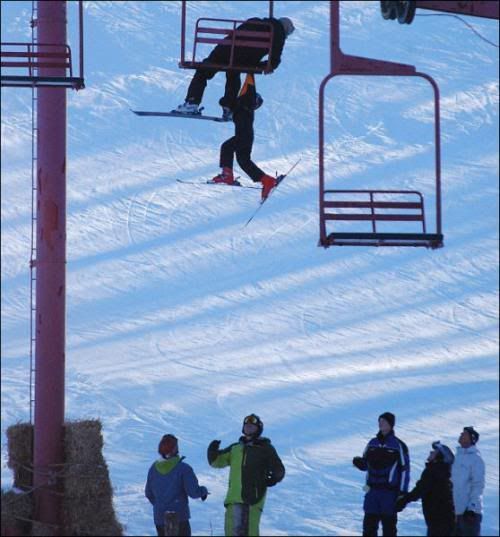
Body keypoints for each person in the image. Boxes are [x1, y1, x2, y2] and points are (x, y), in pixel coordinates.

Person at [175, 16, 294, 117]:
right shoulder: (278, 33)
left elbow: (234, 37)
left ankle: (192, 102)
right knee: (234, 72)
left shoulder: (254, 21)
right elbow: (274, 62)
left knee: (203, 71)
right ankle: (229, 106)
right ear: (286, 30)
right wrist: (261, 65)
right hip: (243, 62)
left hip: (224, 51)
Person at [207, 414, 285, 536]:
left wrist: (274, 478)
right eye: (246, 426)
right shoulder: (235, 448)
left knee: (250, 532)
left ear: (258, 429)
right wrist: (212, 451)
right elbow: (217, 462)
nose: (248, 428)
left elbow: (278, 468)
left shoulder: (264, 448)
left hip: (253, 499)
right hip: (233, 499)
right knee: (231, 532)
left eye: (252, 426)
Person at [210, 72, 277, 200]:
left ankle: (227, 175)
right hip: (247, 137)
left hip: (243, 136)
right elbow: (231, 107)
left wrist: (249, 71)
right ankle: (267, 180)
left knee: (227, 147)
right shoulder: (244, 109)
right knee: (243, 161)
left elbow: (249, 85)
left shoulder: (246, 101)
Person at [352, 412, 410, 537]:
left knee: (389, 530)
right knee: (368, 529)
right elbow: (366, 464)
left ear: (391, 424)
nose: (381, 423)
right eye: (380, 421)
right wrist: (359, 463)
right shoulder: (372, 443)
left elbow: (405, 470)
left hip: (389, 494)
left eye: (384, 421)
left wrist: (402, 493)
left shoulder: (398, 445)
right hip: (372, 493)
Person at [145, 434, 208, 537]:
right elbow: (193, 492)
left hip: (160, 518)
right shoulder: (183, 468)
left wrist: (160, 505)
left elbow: (148, 493)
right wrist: (203, 491)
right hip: (180, 517)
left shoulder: (153, 469)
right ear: (175, 449)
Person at [396, 441, 455, 536]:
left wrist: (403, 500)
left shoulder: (433, 471)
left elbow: (420, 489)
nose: (431, 452)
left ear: (439, 457)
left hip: (438, 518)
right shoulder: (441, 471)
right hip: (443, 517)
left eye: (434, 451)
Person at [452, 426, 485, 537]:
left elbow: (478, 484)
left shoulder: (476, 459)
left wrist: (472, 507)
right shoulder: (456, 458)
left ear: (471, 439)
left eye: (464, 434)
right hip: (455, 513)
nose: (461, 434)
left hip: (469, 514)